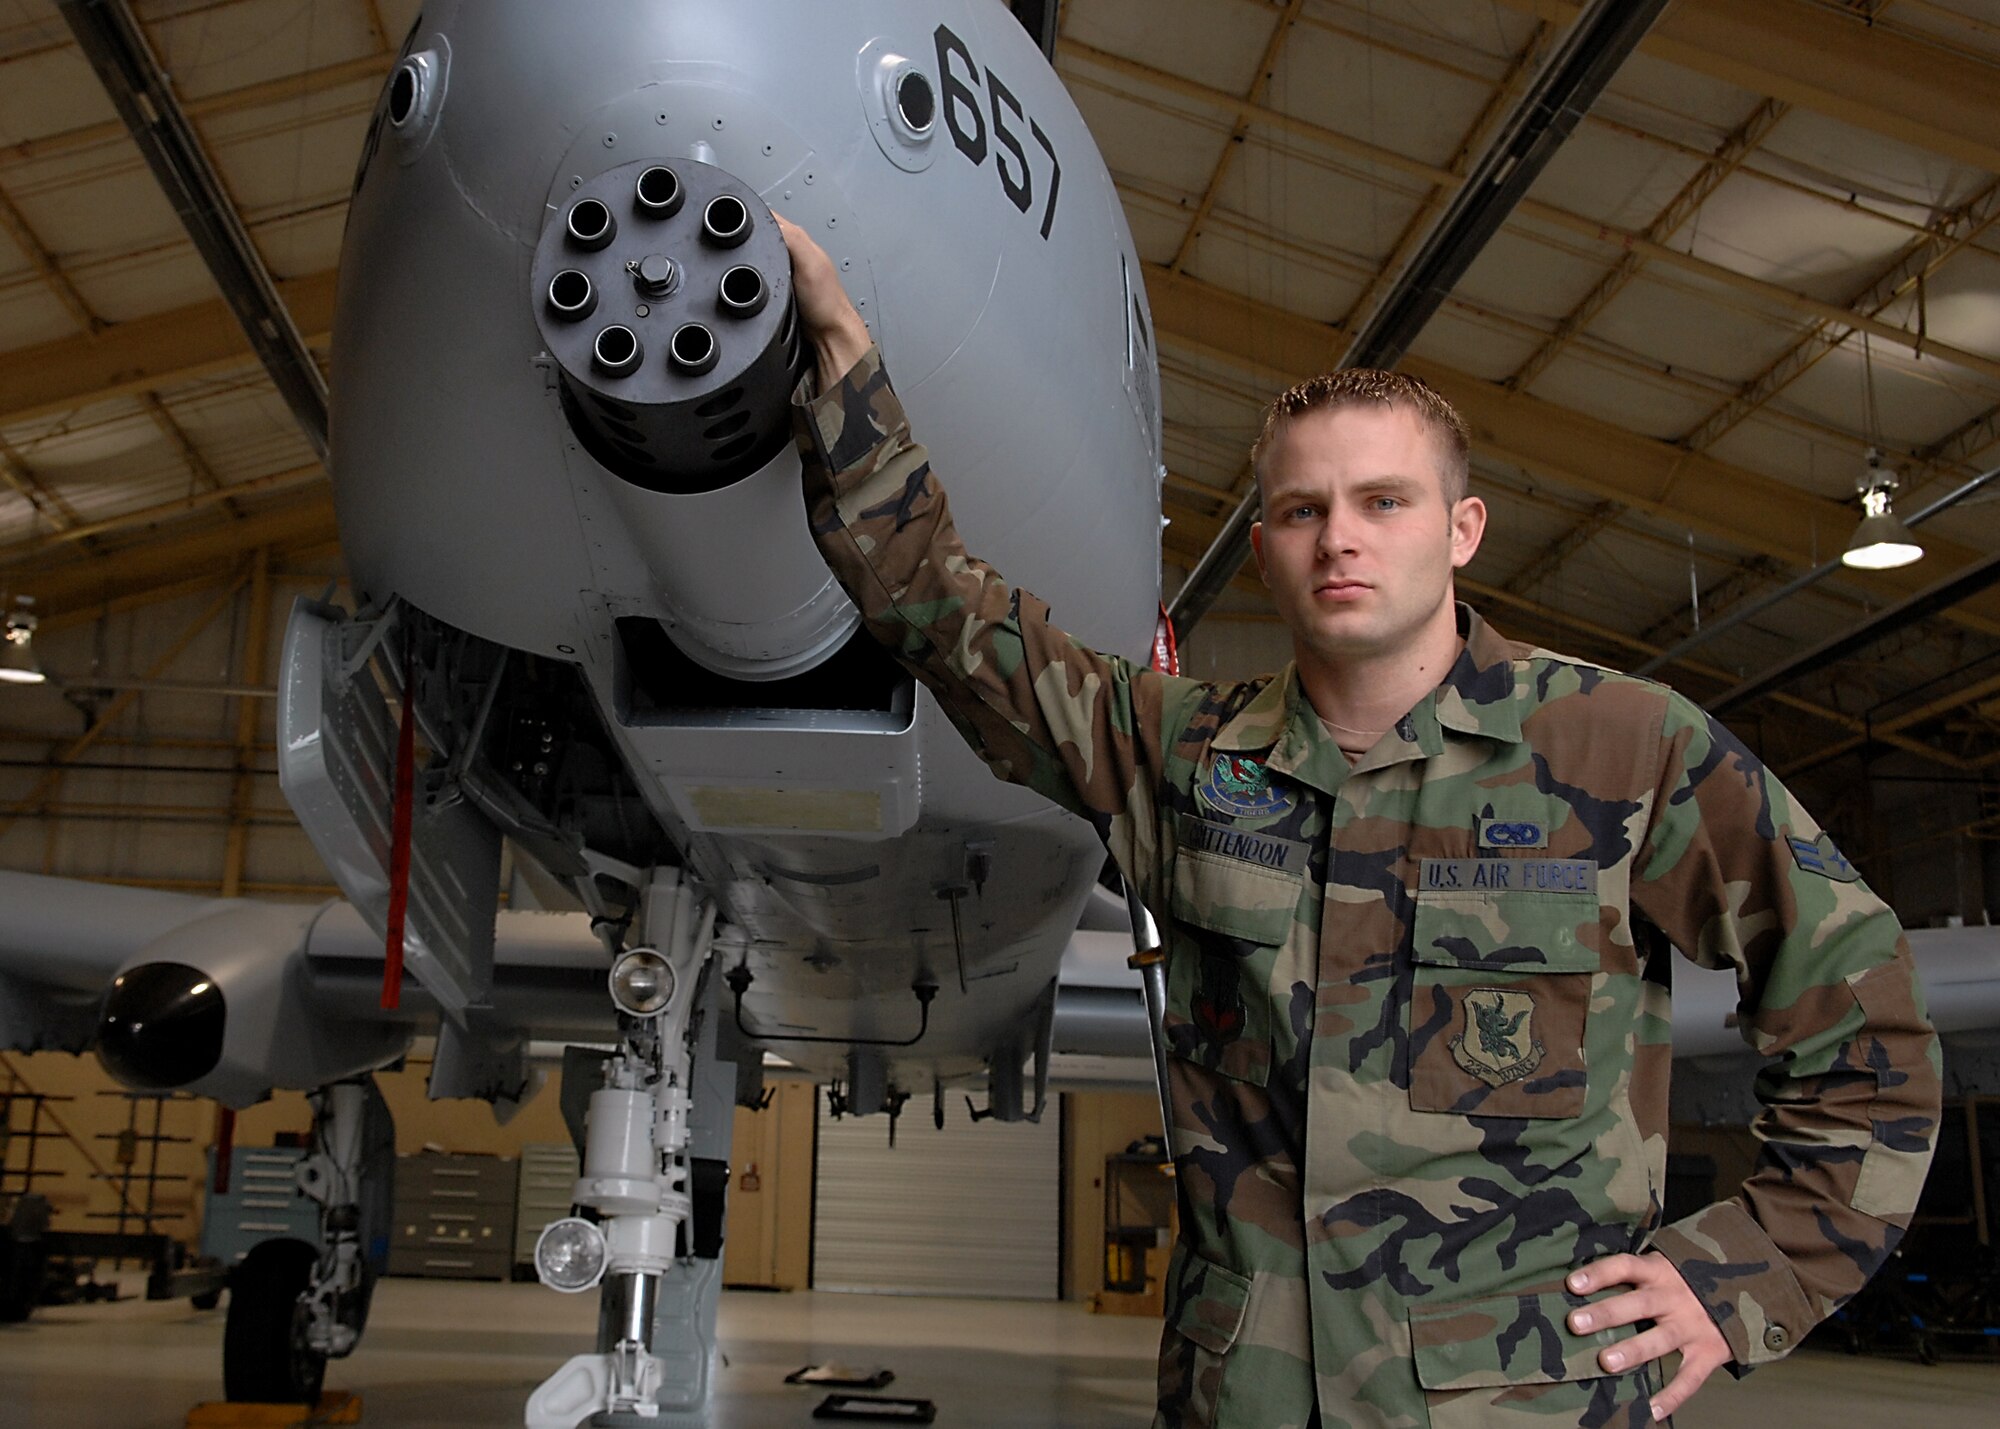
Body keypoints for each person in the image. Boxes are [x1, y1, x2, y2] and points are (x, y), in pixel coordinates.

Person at [778, 218, 1940, 1429]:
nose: (1338, 535)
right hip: (1249, 1392)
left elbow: (1871, 1021)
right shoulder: (1175, 750)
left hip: (1517, 1399)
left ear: (1460, 528)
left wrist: (1736, 1275)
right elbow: (931, 606)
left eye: (1382, 500)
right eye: (1299, 510)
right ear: (1265, 546)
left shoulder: (1621, 747)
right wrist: (840, 360)